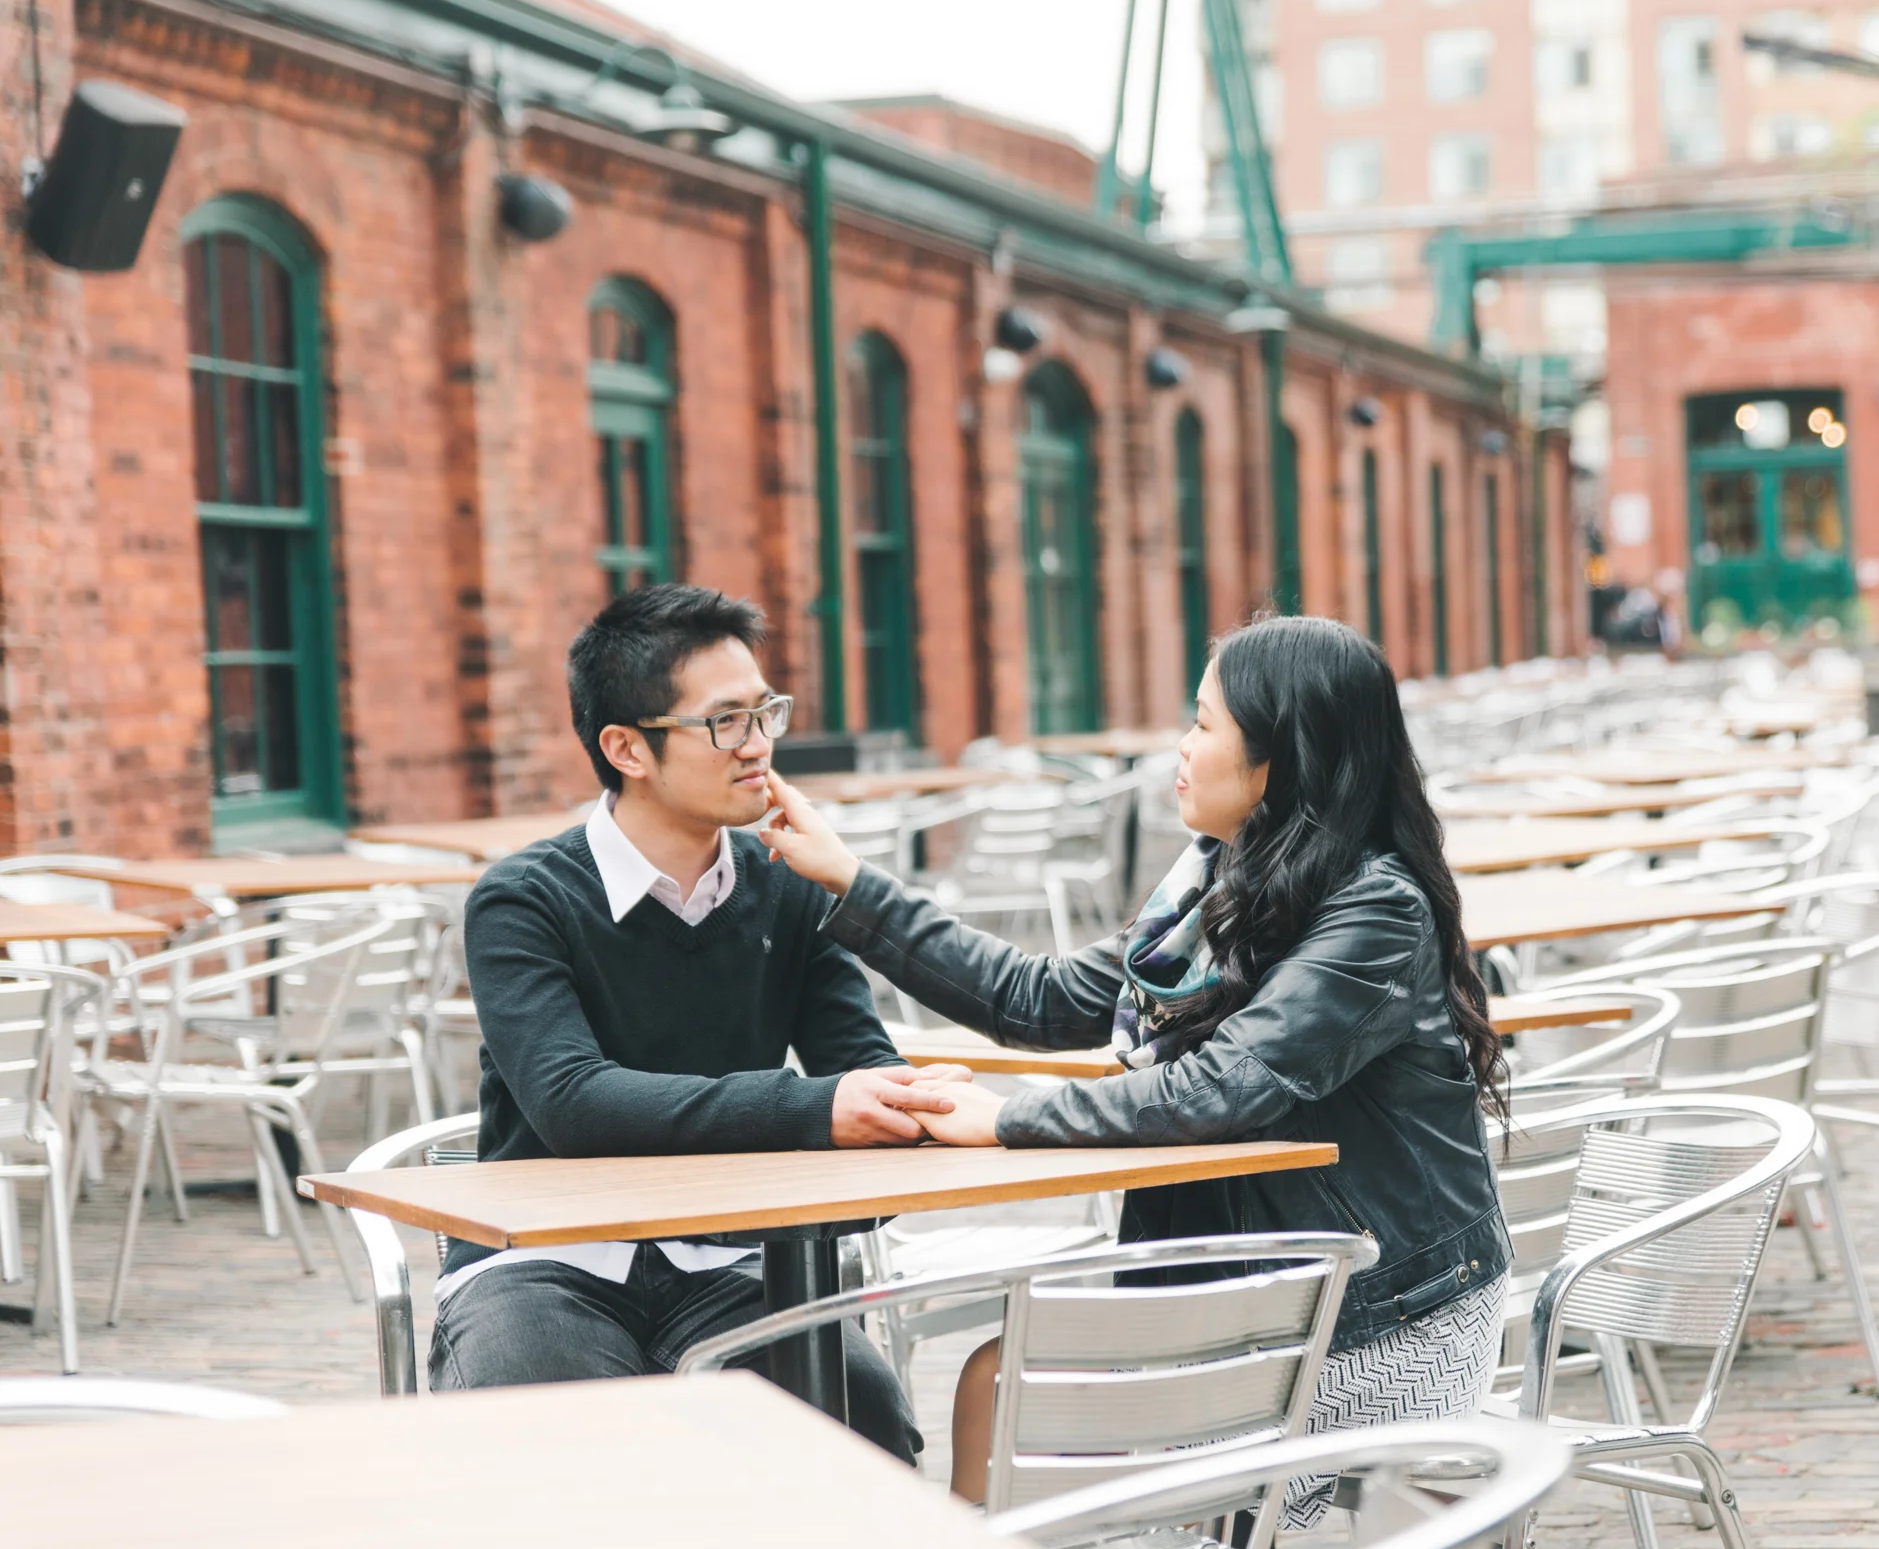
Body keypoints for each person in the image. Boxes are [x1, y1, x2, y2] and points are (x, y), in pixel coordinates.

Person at [758, 614, 1510, 1517]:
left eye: (1202, 723)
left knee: (1004, 1390)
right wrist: (849, 879)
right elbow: (1036, 998)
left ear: (1279, 756)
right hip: (1259, 1284)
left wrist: (1004, 1120)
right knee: (997, 1387)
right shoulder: (1219, 892)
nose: (1181, 750)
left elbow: (1225, 1084)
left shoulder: (1377, 910)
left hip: (1382, 1316)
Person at [430, 583, 962, 1464]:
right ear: (626, 748)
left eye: (765, 713)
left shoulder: (786, 884)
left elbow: (857, 1063)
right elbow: (572, 1102)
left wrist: (909, 1100)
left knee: (862, 1423)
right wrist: (815, 1108)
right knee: (575, 1451)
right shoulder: (524, 899)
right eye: (726, 723)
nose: (759, 747)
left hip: (731, 1265)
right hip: (546, 1260)